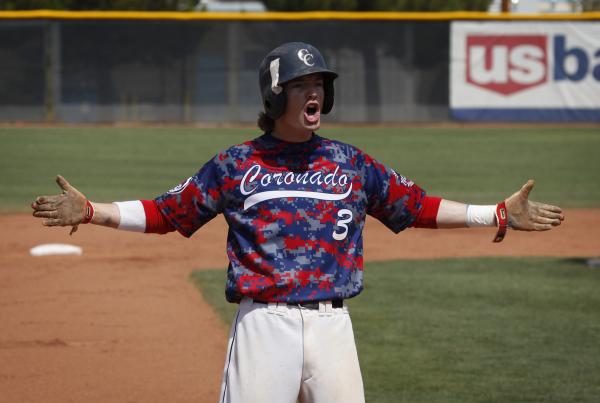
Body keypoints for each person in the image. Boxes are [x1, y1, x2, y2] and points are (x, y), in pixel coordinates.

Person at [31, 42, 564, 403]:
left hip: (334, 327)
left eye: (319, 84)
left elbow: (415, 205)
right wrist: (94, 211)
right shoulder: (235, 165)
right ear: (274, 94)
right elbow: (168, 213)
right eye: (300, 84)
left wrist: (494, 214)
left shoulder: (350, 163)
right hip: (264, 326)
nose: (313, 93)